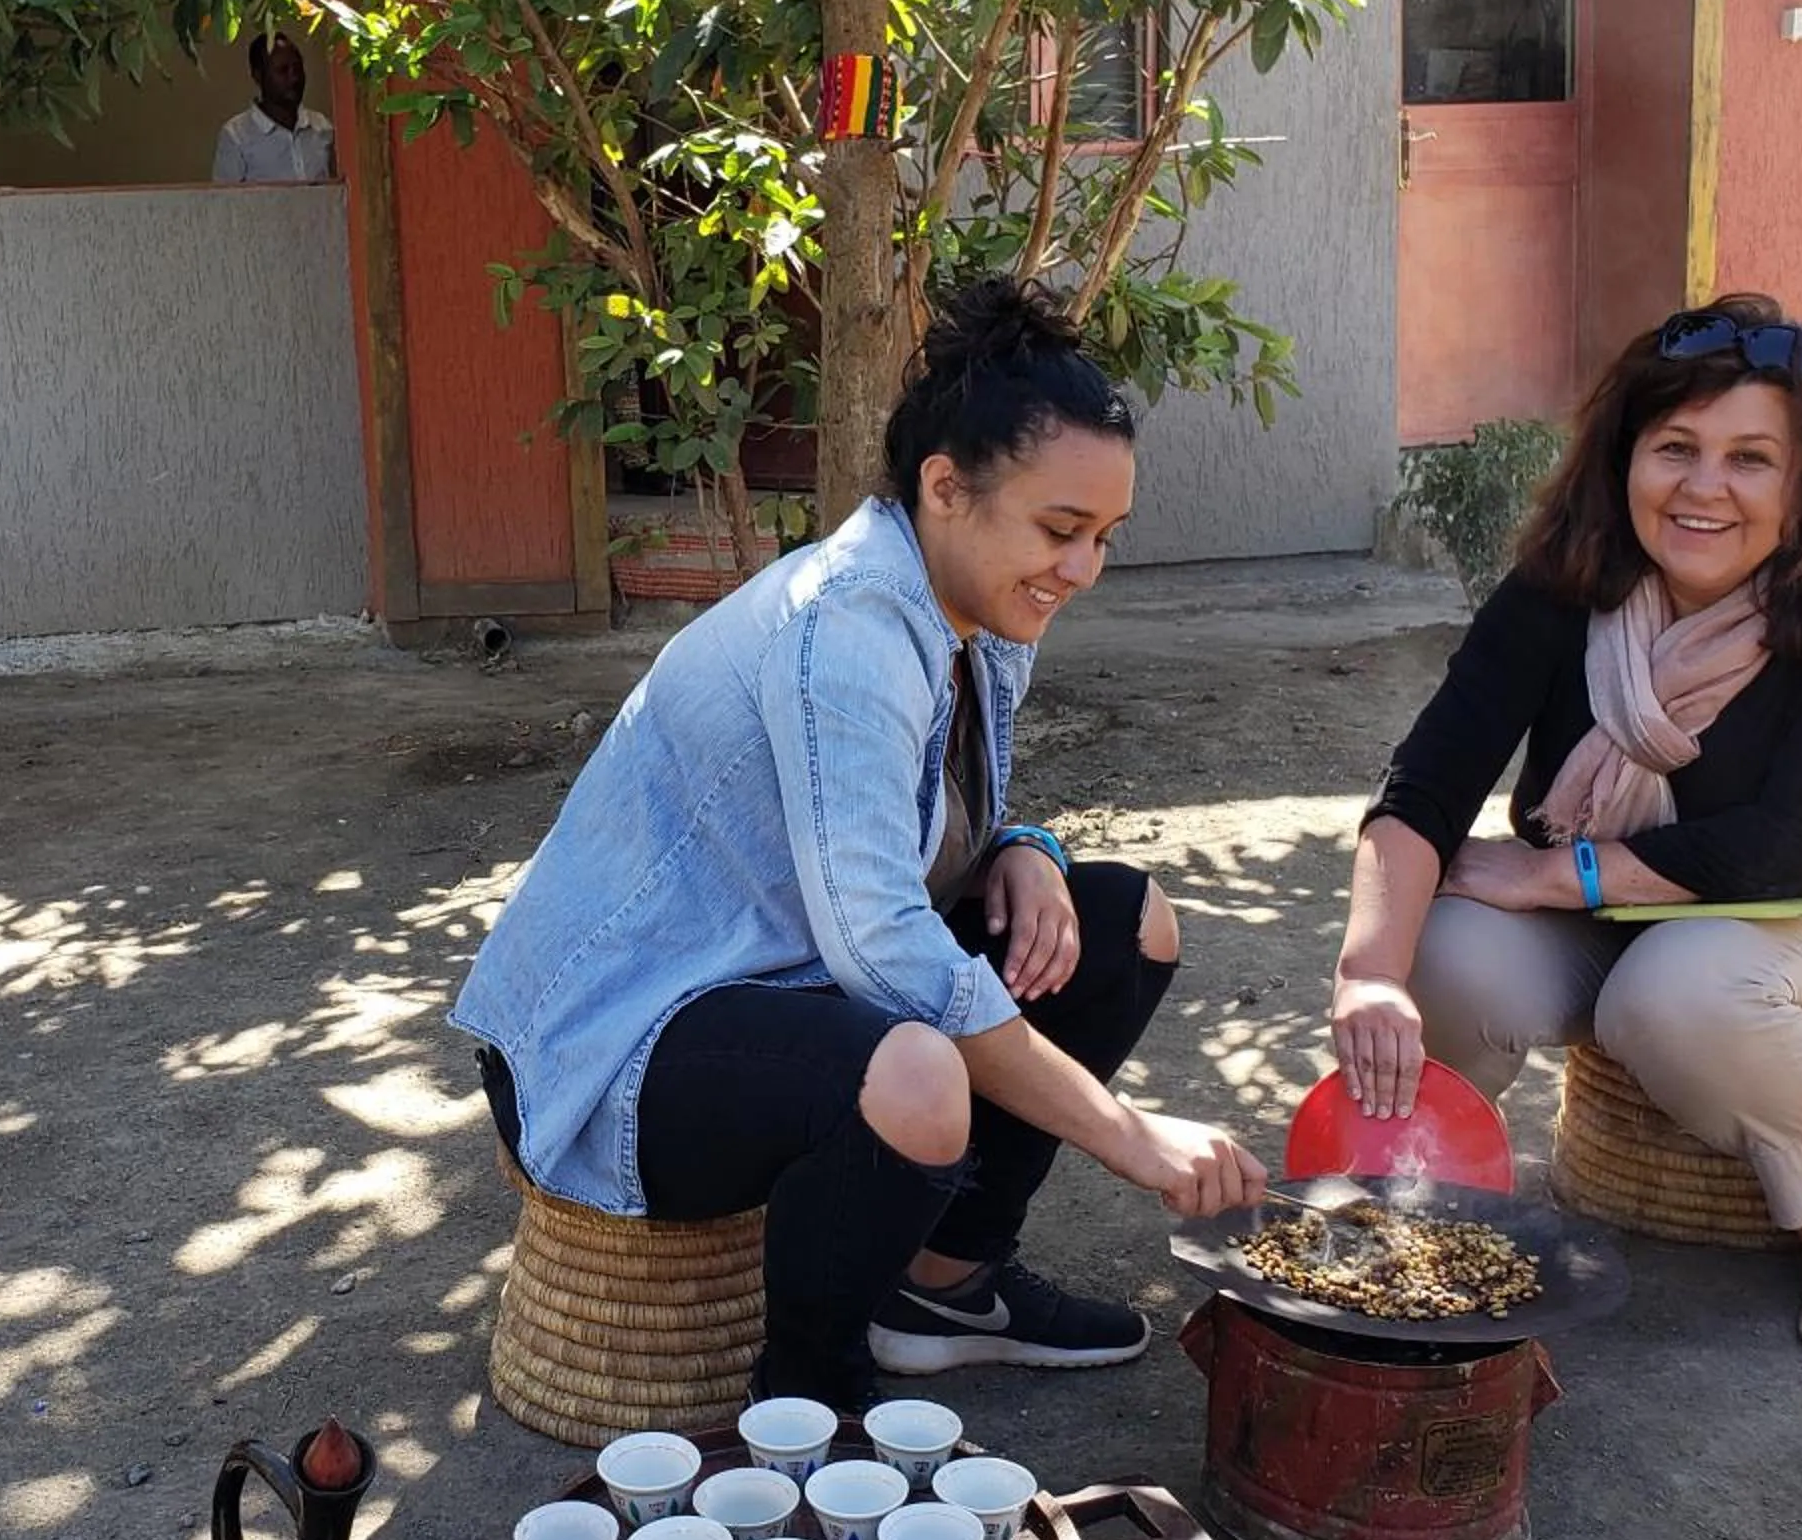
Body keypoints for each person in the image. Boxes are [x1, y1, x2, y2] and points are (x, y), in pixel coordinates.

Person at [454, 279, 1267, 1411]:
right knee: (917, 1068)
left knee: (1121, 921)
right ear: (946, 488)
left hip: (773, 972)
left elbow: (905, 830)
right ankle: (809, 1406)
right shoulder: (846, 629)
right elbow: (882, 945)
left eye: (1102, 538)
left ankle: (945, 1287)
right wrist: (1130, 1139)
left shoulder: (973, 612)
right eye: (1060, 530)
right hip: (618, 1033)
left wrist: (1024, 847)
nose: (1081, 570)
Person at [1331, 295, 1802, 1361]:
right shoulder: (1566, 583)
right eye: (1676, 448)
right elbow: (1424, 782)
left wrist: (1554, 872)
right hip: (1619, 915)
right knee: (1442, 942)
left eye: (1752, 457)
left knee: (1678, 988)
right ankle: (1429, 1180)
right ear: (1626, 457)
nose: (1704, 488)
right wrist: (1370, 974)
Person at [211, 31, 334, 183]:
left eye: (297, 68)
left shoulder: (322, 127)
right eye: (283, 70)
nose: (294, 78)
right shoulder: (236, 136)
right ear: (258, 76)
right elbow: (224, 202)